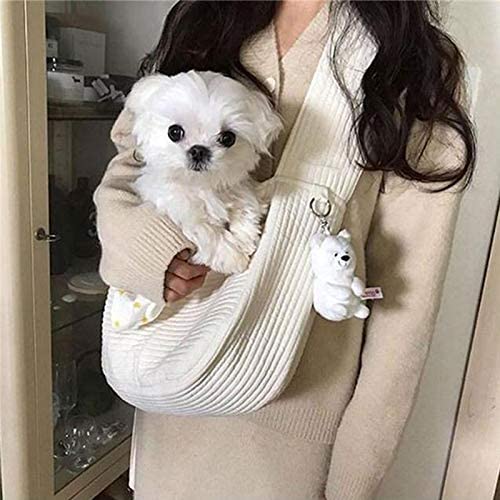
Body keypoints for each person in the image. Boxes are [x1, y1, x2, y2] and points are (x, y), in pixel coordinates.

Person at [94, 1, 475, 498]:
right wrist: (144, 251)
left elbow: (407, 298)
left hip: (293, 424)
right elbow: (131, 166)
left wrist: (354, 475)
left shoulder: (414, 60)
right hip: (175, 387)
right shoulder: (206, 17)